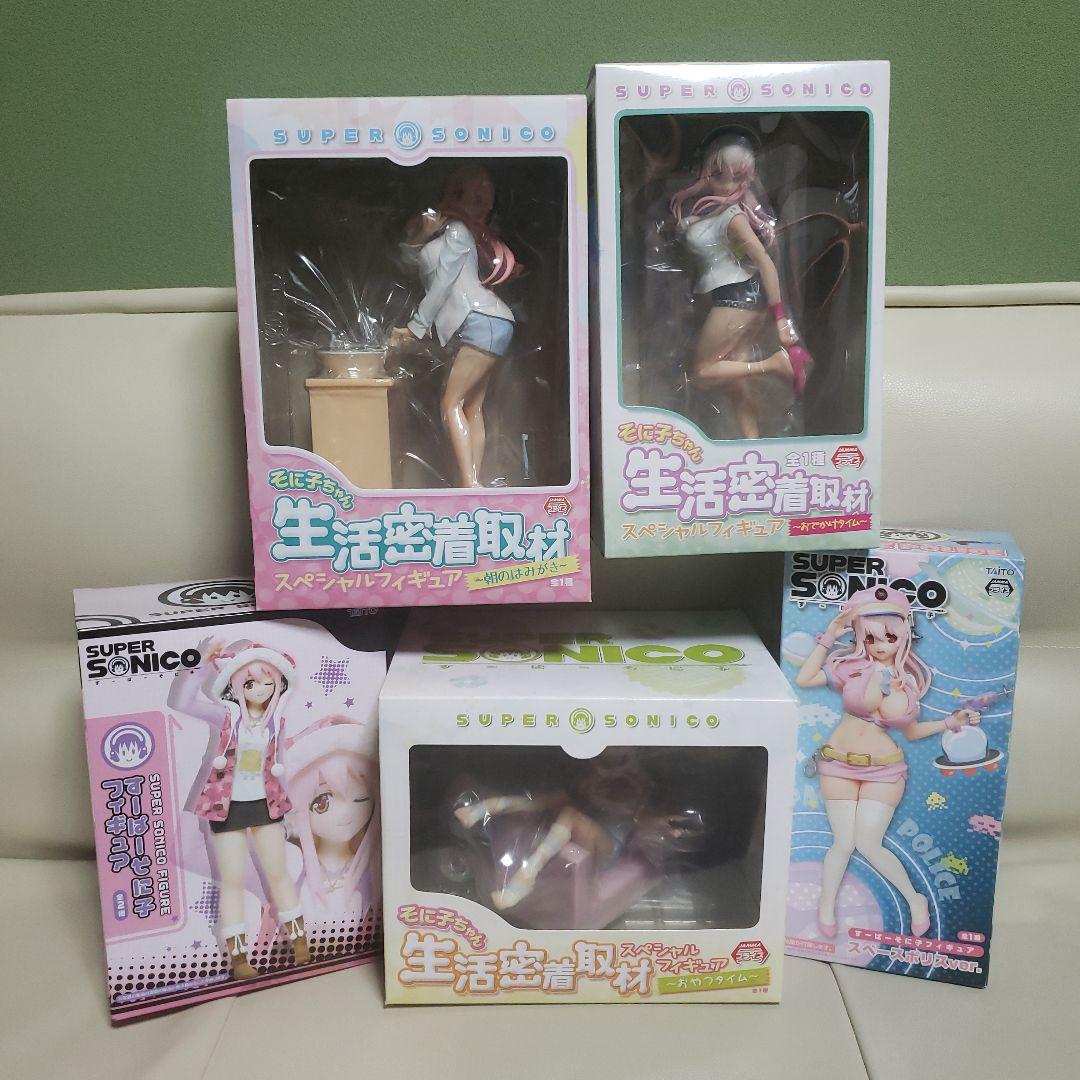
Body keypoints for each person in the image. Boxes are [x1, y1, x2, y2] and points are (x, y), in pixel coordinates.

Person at [796, 587, 979, 937]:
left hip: (884, 770)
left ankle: (914, 899)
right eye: (871, 637)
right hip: (837, 763)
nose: (880, 645)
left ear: (904, 635)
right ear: (860, 636)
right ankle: (826, 903)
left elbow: (911, 732)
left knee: (868, 842)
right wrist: (829, 635)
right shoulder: (849, 667)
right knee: (842, 843)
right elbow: (804, 679)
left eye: (890, 637)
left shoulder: (907, 680)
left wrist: (949, 723)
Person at [390, 165, 518, 487]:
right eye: (472, 198)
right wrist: (423, 232)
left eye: (483, 201)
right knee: (472, 407)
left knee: (450, 404)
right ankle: (474, 483)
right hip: (485, 321)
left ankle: (469, 484)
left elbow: (443, 282)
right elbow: (407, 259)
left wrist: (416, 327)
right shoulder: (444, 233)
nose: (479, 207)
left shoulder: (458, 231)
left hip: (481, 320)